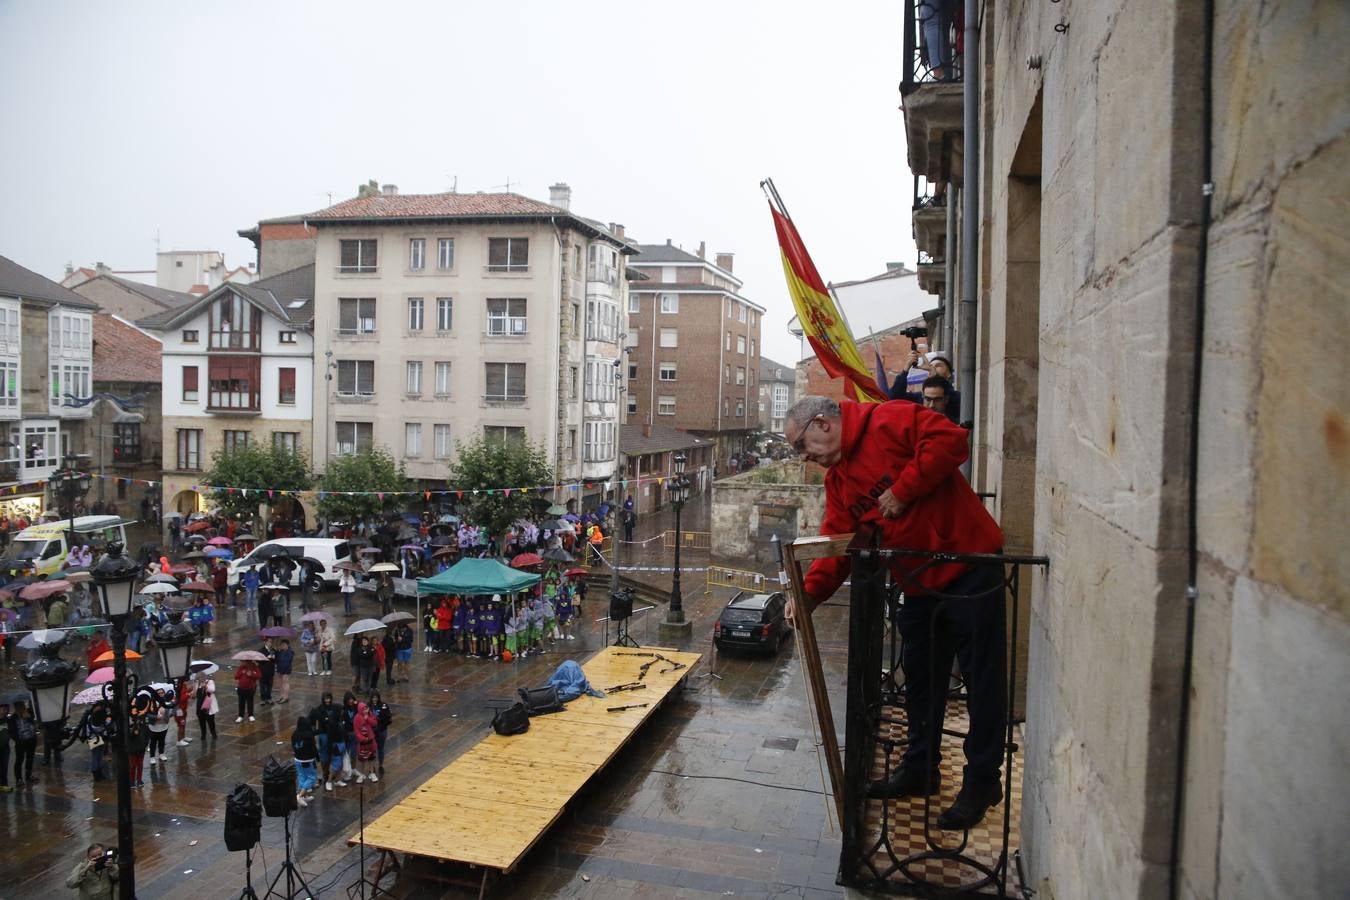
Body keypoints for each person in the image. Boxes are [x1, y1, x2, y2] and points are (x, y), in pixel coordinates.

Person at [785, 395, 1005, 830]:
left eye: (801, 446)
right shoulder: (839, 483)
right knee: (921, 685)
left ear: (823, 424)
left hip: (970, 568)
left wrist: (903, 490)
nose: (804, 457)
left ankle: (982, 780)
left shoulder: (889, 419)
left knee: (983, 684)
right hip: (919, 585)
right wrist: (810, 596)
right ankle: (920, 768)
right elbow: (839, 541)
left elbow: (950, 440)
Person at [309, 692, 344, 791]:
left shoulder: (336, 707)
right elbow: (310, 720)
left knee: (335, 756)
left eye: (329, 698)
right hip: (324, 736)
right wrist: (316, 731)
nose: (327, 701)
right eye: (326, 699)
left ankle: (333, 776)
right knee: (324, 757)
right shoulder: (318, 710)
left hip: (334, 735)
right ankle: (325, 775)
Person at [291, 716, 318, 807]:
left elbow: (293, 746)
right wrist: (317, 757)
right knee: (311, 777)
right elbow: (313, 747)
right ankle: (299, 795)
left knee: (302, 776)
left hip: (297, 759)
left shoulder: (294, 734)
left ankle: (304, 795)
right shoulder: (309, 734)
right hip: (308, 759)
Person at [10, 699, 38, 786]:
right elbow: (12, 732)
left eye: (22, 706)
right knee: (19, 760)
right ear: (16, 708)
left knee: (30, 759)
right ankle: (19, 778)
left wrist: (29, 718)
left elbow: (34, 724)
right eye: (19, 707)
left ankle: (28, 776)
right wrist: (17, 740)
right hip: (20, 742)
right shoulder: (13, 718)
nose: (22, 708)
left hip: (31, 740)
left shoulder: (29, 712)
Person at [351, 701, 379, 783]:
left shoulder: (370, 714)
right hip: (363, 743)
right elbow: (356, 730)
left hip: (370, 741)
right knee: (362, 759)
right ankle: (361, 774)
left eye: (366, 708)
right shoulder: (357, 718)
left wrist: (368, 719)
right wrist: (362, 738)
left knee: (371, 758)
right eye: (364, 709)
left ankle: (372, 773)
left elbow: (374, 723)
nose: (366, 710)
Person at [146, 689, 170, 767]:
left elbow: (169, 713)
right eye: (158, 693)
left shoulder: (166, 702)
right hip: (154, 727)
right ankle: (152, 757)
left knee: (162, 741)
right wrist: (155, 716)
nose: (160, 694)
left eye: (162, 693)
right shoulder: (151, 703)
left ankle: (161, 753)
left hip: (164, 726)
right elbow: (147, 714)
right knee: (153, 742)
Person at [125, 710, 149, 788]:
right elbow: (128, 737)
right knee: (133, 765)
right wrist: (133, 732)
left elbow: (147, 735)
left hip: (141, 748)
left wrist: (145, 745)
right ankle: (131, 781)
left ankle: (139, 780)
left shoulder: (144, 726)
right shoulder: (130, 726)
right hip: (133, 749)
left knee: (140, 765)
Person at [195, 672, 219, 740]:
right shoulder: (197, 683)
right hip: (199, 704)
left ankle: (213, 733)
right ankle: (203, 734)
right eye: (198, 677)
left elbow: (212, 690)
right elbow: (195, 693)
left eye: (201, 677)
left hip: (208, 704)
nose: (200, 678)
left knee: (210, 720)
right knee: (201, 720)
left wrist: (206, 686)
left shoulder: (210, 682)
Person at [275, 638, 294, 703]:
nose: (283, 646)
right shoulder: (281, 651)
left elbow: (287, 662)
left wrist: (283, 670)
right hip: (280, 669)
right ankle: (282, 696)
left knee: (285, 683)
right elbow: (277, 660)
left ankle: (286, 697)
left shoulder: (290, 652)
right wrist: (277, 651)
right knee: (280, 684)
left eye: (284, 645)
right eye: (282, 645)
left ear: (287, 645)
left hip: (286, 670)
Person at [0, 700, 11, 792]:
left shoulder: (7, 720)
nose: (5, 711)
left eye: (7, 709)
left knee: (5, 767)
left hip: (5, 747)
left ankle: (4, 784)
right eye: (3, 709)